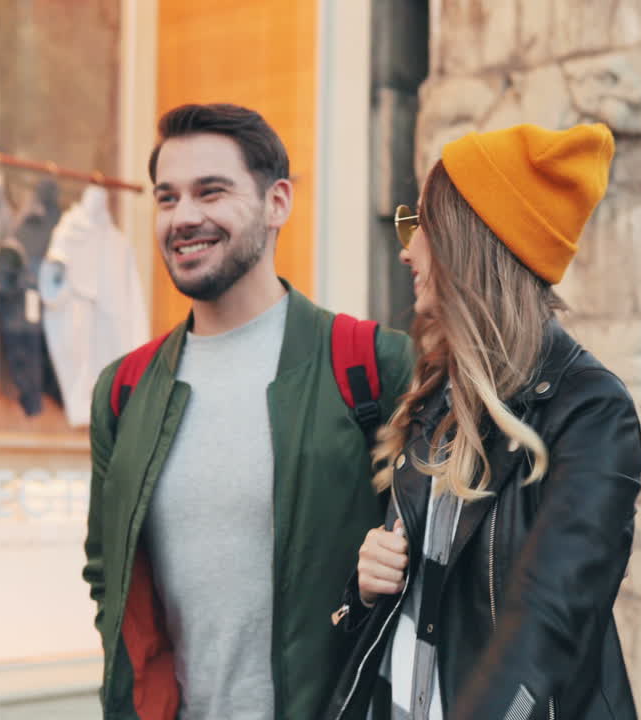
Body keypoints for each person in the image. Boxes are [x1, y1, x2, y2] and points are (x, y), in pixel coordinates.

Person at [82, 103, 413, 720]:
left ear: (276, 202)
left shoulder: (372, 364)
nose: (184, 217)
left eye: (211, 192)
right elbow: (110, 575)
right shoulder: (123, 390)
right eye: (166, 197)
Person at [324, 123, 641, 720]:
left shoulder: (592, 410)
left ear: (464, 242)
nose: (405, 248)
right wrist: (365, 587)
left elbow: (549, 627)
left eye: (419, 225)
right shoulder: (435, 394)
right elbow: (418, 603)